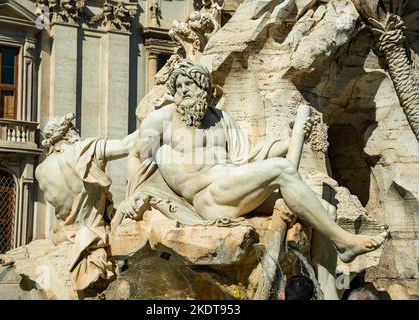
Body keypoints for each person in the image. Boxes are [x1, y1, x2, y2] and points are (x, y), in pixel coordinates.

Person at [115, 59, 388, 266]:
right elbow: (138, 158)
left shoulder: (221, 119)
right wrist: (132, 198)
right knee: (281, 169)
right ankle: (344, 240)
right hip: (206, 198)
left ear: (203, 87)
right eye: (179, 86)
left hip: (233, 185)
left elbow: (246, 159)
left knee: (323, 206)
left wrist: (291, 138)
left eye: (189, 83)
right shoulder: (162, 120)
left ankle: (329, 287)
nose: (183, 90)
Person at [36, 113, 135, 291]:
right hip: (93, 239)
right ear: (67, 133)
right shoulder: (84, 151)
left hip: (63, 238)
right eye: (74, 128)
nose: (77, 131)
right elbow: (128, 145)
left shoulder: (41, 170)